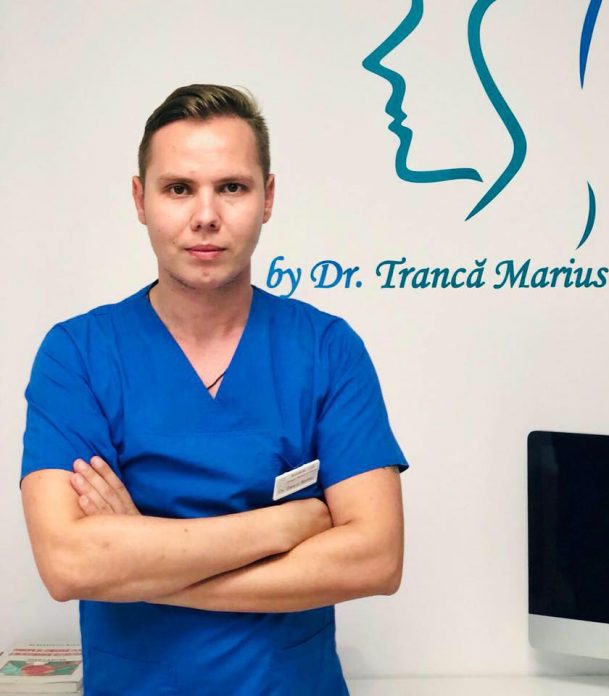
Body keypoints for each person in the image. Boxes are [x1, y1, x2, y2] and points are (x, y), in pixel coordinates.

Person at [19, 84, 408, 695]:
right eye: (179, 188)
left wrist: (143, 563)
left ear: (268, 197)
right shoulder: (80, 355)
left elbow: (376, 559)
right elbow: (69, 563)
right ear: (140, 199)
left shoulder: (326, 349)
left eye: (232, 187)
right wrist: (284, 527)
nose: (206, 215)